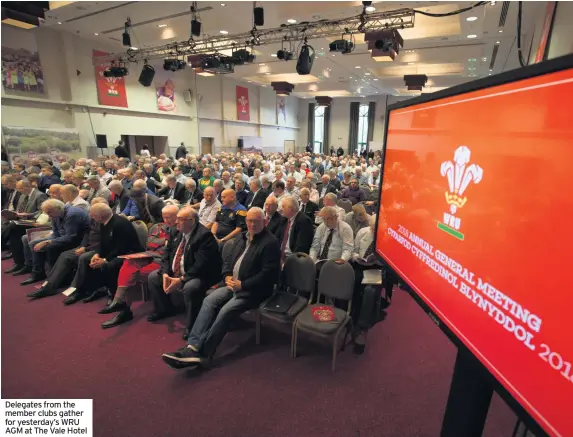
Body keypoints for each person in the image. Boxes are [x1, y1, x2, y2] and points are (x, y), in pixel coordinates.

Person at [161, 207, 281, 369]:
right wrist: (226, 276)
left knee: (226, 310)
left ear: (265, 222)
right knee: (209, 300)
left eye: (256, 221)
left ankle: (204, 354)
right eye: (249, 221)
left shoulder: (270, 243)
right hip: (233, 284)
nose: (252, 224)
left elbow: (269, 275)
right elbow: (227, 261)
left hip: (254, 290)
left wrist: (242, 284)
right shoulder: (242, 237)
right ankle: (193, 347)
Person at [147, 206, 222, 339]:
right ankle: (165, 309)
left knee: (190, 287)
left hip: (201, 274)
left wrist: (181, 279)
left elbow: (201, 265)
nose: (176, 222)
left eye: (180, 219)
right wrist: (165, 273)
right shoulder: (175, 231)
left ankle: (192, 325)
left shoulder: (204, 235)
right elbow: (166, 254)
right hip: (178, 271)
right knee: (153, 277)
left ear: (192, 221)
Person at [99, 205, 179, 328]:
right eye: (164, 217)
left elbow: (170, 250)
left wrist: (160, 243)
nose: (165, 220)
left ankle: (124, 308)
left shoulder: (181, 229)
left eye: (169, 217)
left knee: (131, 276)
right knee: (128, 262)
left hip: (165, 261)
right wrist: (163, 242)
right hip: (150, 256)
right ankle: (119, 302)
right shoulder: (158, 227)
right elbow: (150, 243)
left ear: (177, 217)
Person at [25, 197, 108, 299]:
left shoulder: (75, 215)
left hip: (91, 246)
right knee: (59, 252)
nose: (90, 215)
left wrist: (85, 248)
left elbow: (104, 241)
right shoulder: (93, 219)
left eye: (93, 213)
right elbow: (87, 233)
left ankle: (73, 289)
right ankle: (50, 283)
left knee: (72, 256)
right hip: (85, 244)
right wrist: (83, 246)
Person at [62, 203, 143, 305]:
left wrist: (105, 260)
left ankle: (114, 295)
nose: (91, 217)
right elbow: (103, 242)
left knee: (110, 265)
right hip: (113, 251)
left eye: (93, 215)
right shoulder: (103, 222)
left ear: (101, 216)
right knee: (85, 258)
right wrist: (97, 254)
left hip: (129, 253)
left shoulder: (120, 224)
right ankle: (87, 289)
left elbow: (122, 248)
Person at [17, 199, 90, 285]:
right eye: (46, 212)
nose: (48, 215)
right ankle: (37, 272)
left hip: (79, 240)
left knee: (50, 247)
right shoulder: (55, 213)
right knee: (34, 243)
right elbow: (56, 232)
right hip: (63, 237)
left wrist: (48, 242)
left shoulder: (72, 214)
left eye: (49, 212)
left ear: (58, 208)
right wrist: (49, 240)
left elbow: (71, 237)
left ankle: (54, 277)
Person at [274, 196, 314, 261]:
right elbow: (276, 237)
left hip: (292, 258)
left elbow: (301, 246)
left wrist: (290, 261)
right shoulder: (284, 219)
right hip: (279, 255)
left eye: (283, 206)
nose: (281, 209)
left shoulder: (304, 221)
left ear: (289, 209)